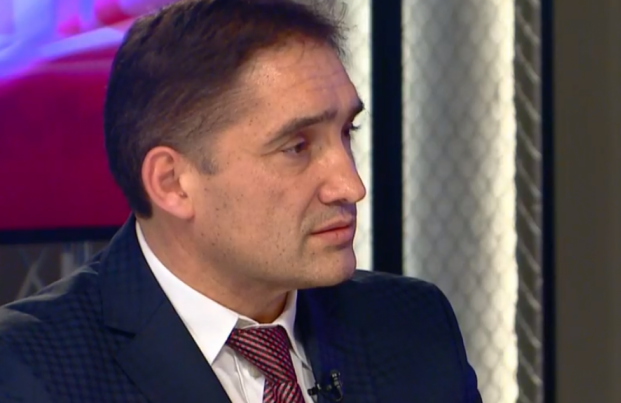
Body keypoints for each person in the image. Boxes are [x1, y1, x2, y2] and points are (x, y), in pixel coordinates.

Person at [0, 0, 482, 402]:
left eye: (346, 132)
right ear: (172, 183)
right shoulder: (30, 369)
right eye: (297, 147)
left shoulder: (412, 324)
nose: (350, 186)